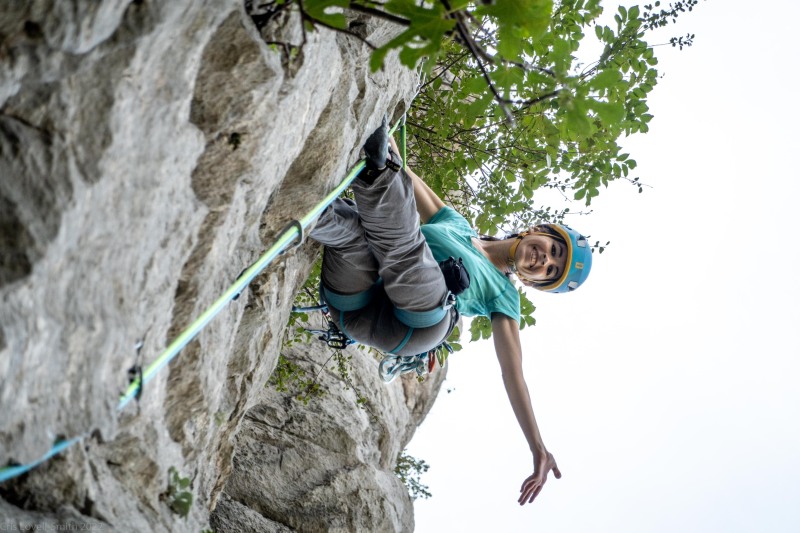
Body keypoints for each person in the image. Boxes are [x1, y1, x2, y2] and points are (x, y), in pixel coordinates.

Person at [309, 117, 592, 505]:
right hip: (358, 298)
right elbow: (406, 174)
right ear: (539, 231)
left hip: (415, 322)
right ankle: (300, 208)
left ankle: (374, 178)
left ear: (534, 282)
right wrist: (385, 133)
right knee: (354, 230)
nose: (545, 260)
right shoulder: (456, 224)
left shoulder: (505, 300)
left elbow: (514, 377)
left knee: (413, 254)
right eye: (554, 250)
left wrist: (538, 447)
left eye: (550, 272)